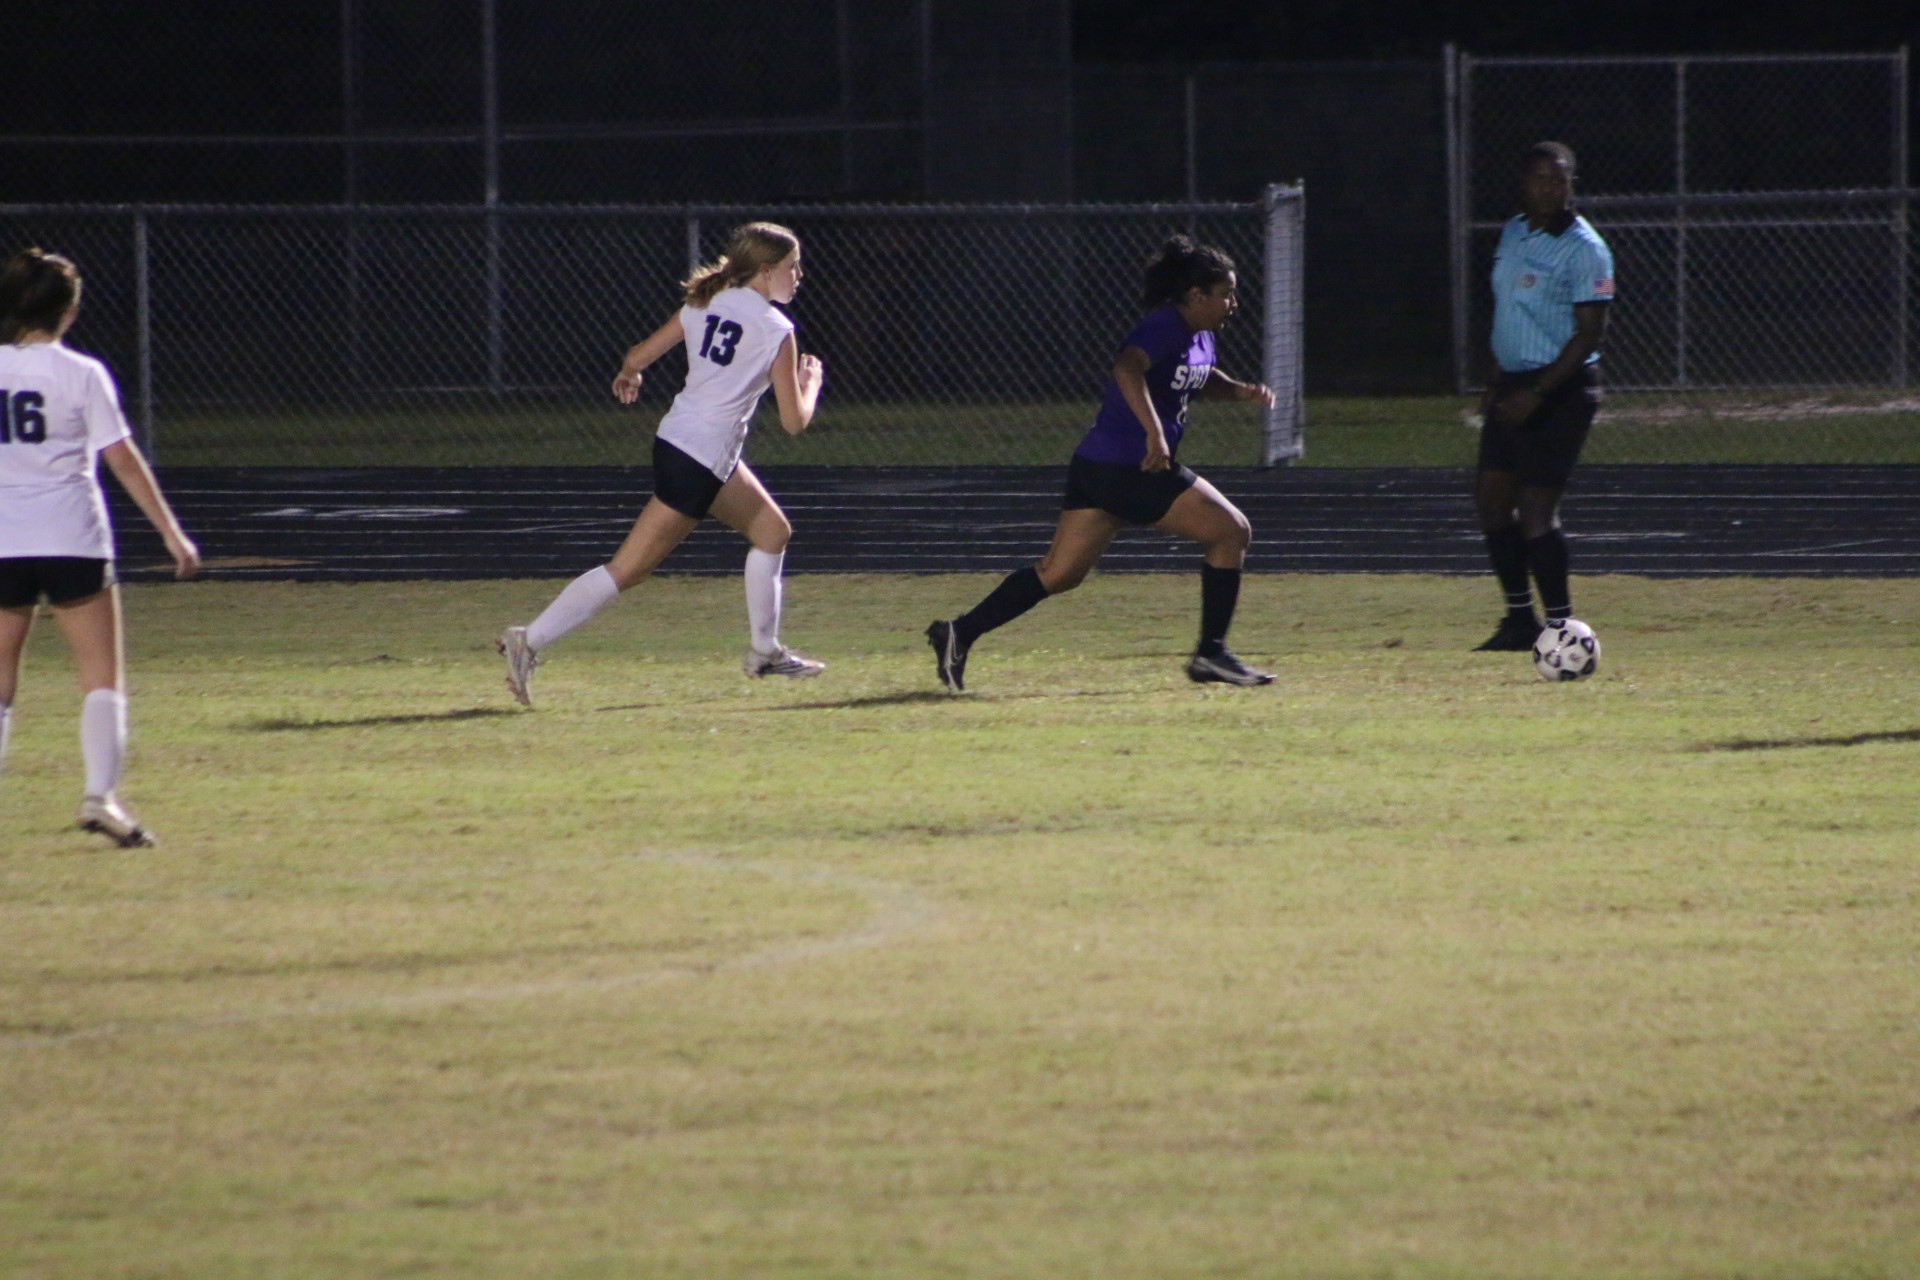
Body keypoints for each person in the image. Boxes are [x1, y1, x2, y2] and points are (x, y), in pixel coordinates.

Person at [925, 235, 1277, 692]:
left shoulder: (1199, 334)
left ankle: (958, 633)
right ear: (1195, 295)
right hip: (1132, 467)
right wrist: (1154, 432)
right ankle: (1211, 652)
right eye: (1226, 293)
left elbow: (1193, 375)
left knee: (1058, 574)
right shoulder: (1165, 325)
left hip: (1097, 467)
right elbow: (1127, 368)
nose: (1234, 303)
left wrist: (1237, 390)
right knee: (1232, 532)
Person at [497, 221, 825, 706]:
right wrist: (810, 382)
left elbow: (637, 355)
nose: (799, 276)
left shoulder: (707, 299)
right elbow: (794, 422)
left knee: (773, 532)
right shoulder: (777, 330)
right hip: (702, 460)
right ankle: (529, 640)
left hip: (679, 442)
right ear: (764, 271)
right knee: (627, 570)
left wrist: (630, 374)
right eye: (792, 267)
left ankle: (765, 652)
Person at [0, 248, 201, 847]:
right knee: (101, 678)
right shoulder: (82, 373)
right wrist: (171, 532)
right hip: (72, 538)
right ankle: (100, 798)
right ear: (69, 310)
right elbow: (123, 459)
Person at [1471, 140, 1615, 651]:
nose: (1550, 188)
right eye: (1540, 178)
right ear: (1523, 183)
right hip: (1514, 385)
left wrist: (1536, 393)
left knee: (1536, 510)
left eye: (1560, 179)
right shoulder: (1514, 231)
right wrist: (1497, 383)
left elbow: (1590, 334)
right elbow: (1509, 312)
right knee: (1492, 502)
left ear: (1573, 183)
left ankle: (1561, 627)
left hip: (1560, 390)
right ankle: (1518, 620)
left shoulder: (1585, 248)